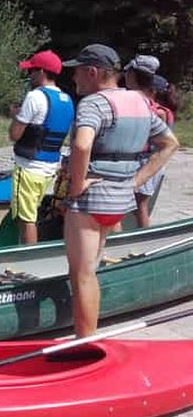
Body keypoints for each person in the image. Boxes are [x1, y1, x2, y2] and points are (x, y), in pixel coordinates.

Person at [62, 44, 178, 338]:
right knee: (91, 270)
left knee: (82, 275)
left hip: (89, 200)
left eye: (77, 71)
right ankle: (85, 335)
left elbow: (82, 144)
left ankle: (84, 343)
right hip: (118, 200)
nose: (73, 76)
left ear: (92, 72)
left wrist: (76, 185)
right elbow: (170, 144)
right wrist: (135, 181)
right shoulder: (140, 102)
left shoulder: (92, 103)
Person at [9, 50, 75, 244]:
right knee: (32, 211)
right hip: (49, 169)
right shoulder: (67, 99)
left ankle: (28, 257)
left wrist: (15, 116)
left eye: (32, 71)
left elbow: (14, 135)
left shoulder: (35, 96)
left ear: (42, 72)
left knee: (26, 218)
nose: (29, 75)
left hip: (29, 168)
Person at [123, 55, 170, 228]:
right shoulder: (150, 107)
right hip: (142, 158)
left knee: (140, 204)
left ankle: (144, 237)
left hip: (147, 159)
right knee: (136, 205)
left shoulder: (156, 111)